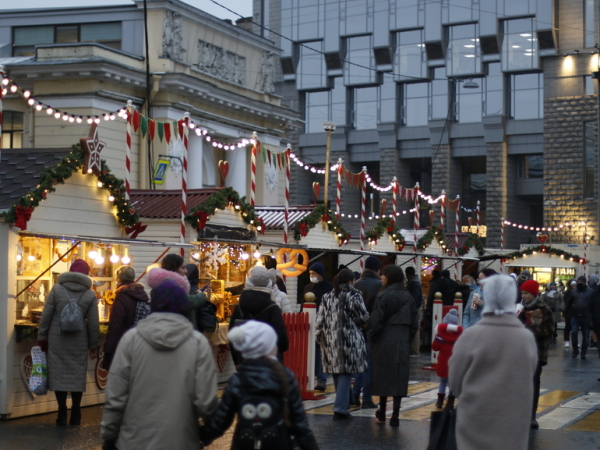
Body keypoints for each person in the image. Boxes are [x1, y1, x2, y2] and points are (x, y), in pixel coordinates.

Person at [101, 279, 218, 450]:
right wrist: (206, 433)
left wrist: (110, 435)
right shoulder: (197, 343)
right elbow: (207, 401)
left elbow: (116, 395)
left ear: (153, 304)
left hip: (134, 441)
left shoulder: (131, 340)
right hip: (181, 441)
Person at [200, 321, 319, 450]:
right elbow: (300, 424)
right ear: (269, 347)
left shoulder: (237, 380)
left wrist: (199, 438)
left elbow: (221, 421)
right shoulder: (285, 376)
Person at [450, 274, 538, 450]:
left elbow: (455, 379)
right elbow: (531, 371)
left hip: (475, 416)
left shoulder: (471, 336)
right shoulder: (525, 337)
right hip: (513, 419)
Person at [37, 259, 99, 426]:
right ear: (86, 274)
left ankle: (62, 412)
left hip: (57, 338)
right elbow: (93, 323)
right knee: (77, 375)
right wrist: (93, 345)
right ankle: (76, 412)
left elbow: (46, 315)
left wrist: (42, 336)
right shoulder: (89, 294)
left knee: (59, 375)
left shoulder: (57, 289)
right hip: (79, 340)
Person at [315, 269, 368, 420]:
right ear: (351, 281)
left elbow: (319, 320)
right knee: (345, 372)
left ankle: (345, 401)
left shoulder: (327, 296)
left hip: (329, 339)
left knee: (337, 372)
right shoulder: (354, 295)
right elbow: (363, 317)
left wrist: (320, 337)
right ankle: (340, 407)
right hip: (348, 339)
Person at [369, 265, 418, 427]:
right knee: (399, 377)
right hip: (402, 340)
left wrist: (372, 337)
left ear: (389, 277)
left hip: (384, 340)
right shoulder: (409, 297)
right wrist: (408, 339)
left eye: (383, 275)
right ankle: (395, 414)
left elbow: (376, 320)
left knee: (383, 376)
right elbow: (414, 323)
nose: (381, 277)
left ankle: (382, 411)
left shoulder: (383, 295)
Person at [229, 265, 289, 364]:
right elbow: (283, 343)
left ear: (248, 282)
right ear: (269, 284)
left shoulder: (239, 307)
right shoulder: (273, 308)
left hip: (245, 364)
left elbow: (233, 339)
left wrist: (237, 362)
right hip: (270, 366)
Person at [516, 279, 555, 429]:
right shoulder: (519, 308)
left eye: (526, 293)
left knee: (533, 382)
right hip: (519, 352)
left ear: (533, 294)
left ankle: (531, 416)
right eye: (522, 293)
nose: (523, 296)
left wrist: (529, 331)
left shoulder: (543, 308)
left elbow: (550, 329)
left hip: (536, 351)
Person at [102, 265, 150, 370]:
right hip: (139, 343)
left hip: (123, 343)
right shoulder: (142, 294)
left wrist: (108, 350)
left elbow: (116, 324)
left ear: (119, 278)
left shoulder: (121, 295)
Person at [146, 253, 208, 330]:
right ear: (174, 269)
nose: (186, 271)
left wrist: (196, 292)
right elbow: (188, 302)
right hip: (177, 332)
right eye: (183, 268)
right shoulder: (170, 286)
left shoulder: (164, 283)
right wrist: (203, 295)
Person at [352, 255, 382, 409]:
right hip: (372, 327)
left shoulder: (356, 284)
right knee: (369, 364)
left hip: (357, 327)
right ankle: (367, 398)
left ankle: (355, 394)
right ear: (377, 269)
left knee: (359, 363)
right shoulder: (380, 285)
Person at [304, 262, 333, 391]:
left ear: (320, 275)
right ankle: (312, 377)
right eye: (310, 274)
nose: (312, 276)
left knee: (322, 353)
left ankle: (321, 379)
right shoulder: (308, 288)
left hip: (324, 325)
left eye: (314, 273)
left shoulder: (329, 288)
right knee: (312, 352)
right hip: (311, 324)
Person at [431, 309, 462, 409]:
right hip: (455, 362)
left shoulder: (440, 335)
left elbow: (435, 347)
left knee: (443, 382)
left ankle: (440, 402)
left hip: (444, 362)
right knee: (452, 383)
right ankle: (451, 402)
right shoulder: (460, 335)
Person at [566, 276, 593, 359]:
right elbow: (569, 303)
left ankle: (583, 352)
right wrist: (565, 314)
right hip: (575, 315)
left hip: (586, 316)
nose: (579, 283)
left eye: (581, 281)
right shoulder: (573, 292)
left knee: (586, 336)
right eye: (578, 281)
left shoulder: (590, 291)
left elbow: (593, 304)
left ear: (584, 282)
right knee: (574, 333)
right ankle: (575, 351)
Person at [425, 269, 453, 341]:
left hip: (435, 307)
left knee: (434, 326)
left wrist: (428, 309)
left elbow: (431, 296)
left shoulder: (435, 283)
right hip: (449, 307)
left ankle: (433, 342)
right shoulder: (451, 283)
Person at [405, 266, 423, 356]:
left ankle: (415, 350)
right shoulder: (416, 283)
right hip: (416, 308)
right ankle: (414, 350)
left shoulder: (413, 284)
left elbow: (415, 298)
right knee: (415, 329)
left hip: (414, 309)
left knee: (415, 329)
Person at [563, 279, 577, 348]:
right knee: (568, 327)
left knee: (575, 328)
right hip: (569, 312)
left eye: (575, 285)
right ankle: (566, 340)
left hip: (576, 312)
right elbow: (566, 303)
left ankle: (575, 341)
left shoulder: (578, 291)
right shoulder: (567, 293)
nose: (574, 286)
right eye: (573, 285)